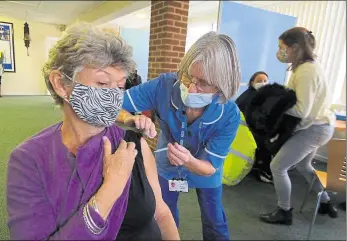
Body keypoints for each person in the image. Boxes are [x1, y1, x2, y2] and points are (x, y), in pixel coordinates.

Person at [6, 23, 179, 240]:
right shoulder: (30, 159)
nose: (114, 96)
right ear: (61, 84)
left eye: (119, 86)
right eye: (102, 82)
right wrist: (111, 189)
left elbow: (161, 214)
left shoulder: (133, 144)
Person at [119, 31, 241, 240]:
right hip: (168, 162)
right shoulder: (165, 86)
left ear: (221, 85)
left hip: (203, 168)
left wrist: (189, 161)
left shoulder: (229, 114)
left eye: (202, 82)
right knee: (163, 215)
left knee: (214, 221)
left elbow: (209, 167)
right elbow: (114, 104)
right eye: (188, 76)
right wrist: (130, 120)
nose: (191, 88)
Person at [259, 27, 338, 225]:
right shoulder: (306, 68)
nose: (279, 51)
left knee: (277, 167)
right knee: (303, 165)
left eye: (281, 47)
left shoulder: (306, 71)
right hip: (319, 125)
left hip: (314, 127)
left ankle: (284, 211)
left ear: (295, 48)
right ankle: (326, 203)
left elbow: (302, 110)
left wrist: (273, 105)